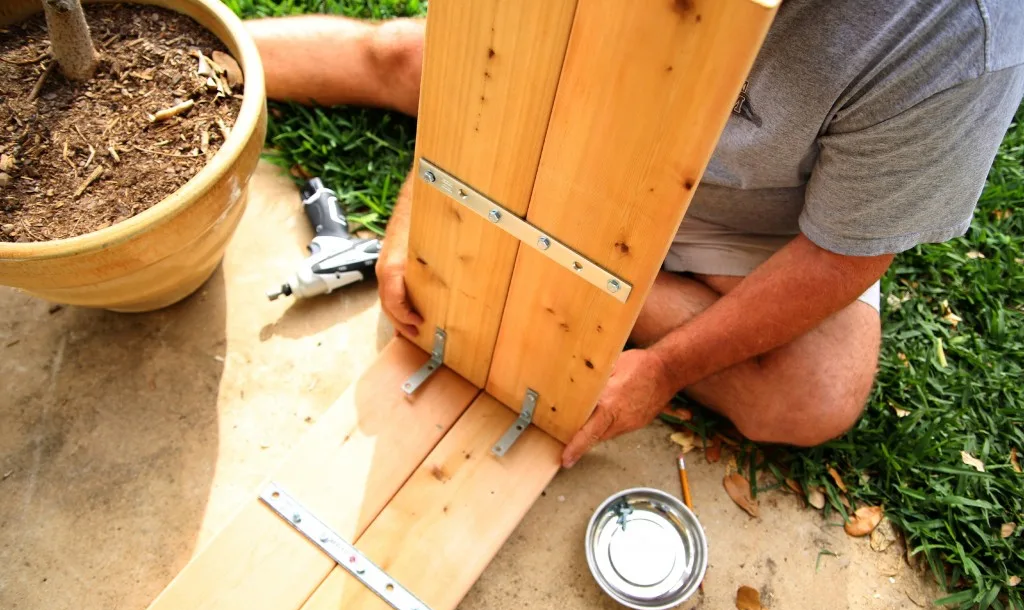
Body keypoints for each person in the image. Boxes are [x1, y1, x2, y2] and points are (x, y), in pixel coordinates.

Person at [246, 1, 1024, 468]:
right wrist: (424, 210)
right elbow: (505, 47)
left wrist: (661, 368)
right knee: (393, 58)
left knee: (810, 396)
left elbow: (842, 251)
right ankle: (185, 27)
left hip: (759, 204)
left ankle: (579, 262)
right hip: (591, 102)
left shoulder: (961, 37)